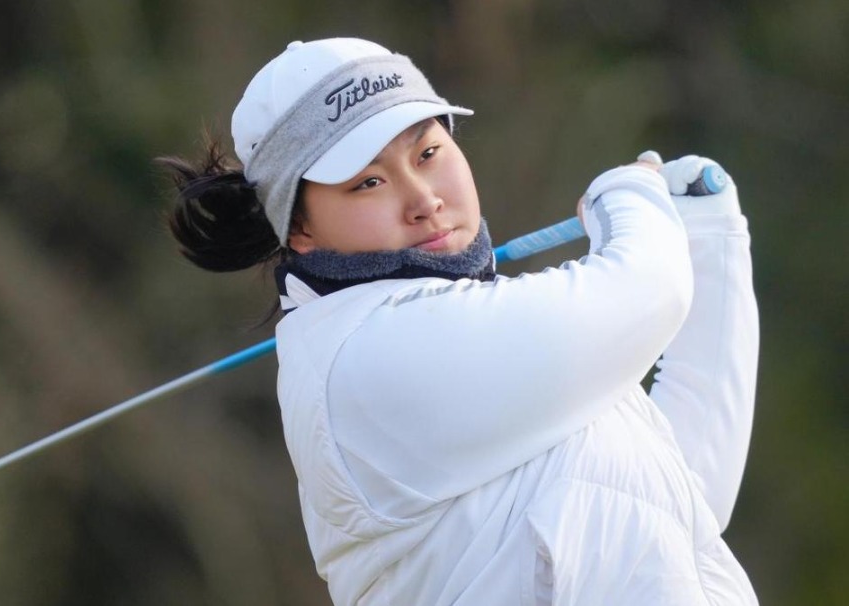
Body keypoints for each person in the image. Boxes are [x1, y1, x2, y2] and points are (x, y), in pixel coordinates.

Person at [159, 37, 760, 606]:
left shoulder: (495, 343)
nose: (423, 199)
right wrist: (626, 194)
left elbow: (686, 508)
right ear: (299, 229)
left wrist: (712, 241)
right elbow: (646, 290)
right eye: (369, 182)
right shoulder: (366, 359)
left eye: (428, 153)